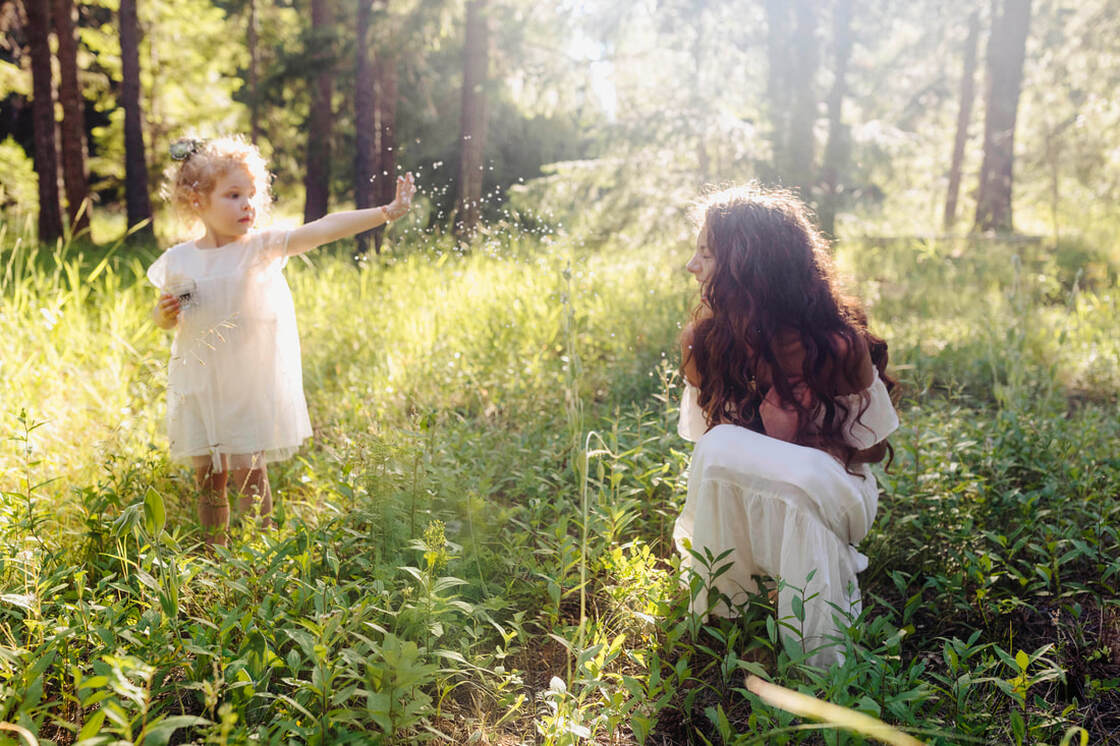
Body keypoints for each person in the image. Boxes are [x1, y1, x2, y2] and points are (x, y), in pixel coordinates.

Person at [148, 135, 416, 547]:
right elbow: (167, 317)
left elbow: (324, 228)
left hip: (247, 386)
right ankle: (213, 555)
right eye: (234, 195)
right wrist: (164, 315)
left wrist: (386, 212)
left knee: (249, 474)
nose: (248, 205)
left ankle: (258, 557)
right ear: (198, 200)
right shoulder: (179, 260)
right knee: (208, 479)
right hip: (199, 387)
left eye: (252, 195)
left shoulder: (259, 248)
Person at [674, 185, 899, 666]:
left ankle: (819, 655)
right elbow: (712, 458)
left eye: (705, 253)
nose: (692, 265)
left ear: (747, 268)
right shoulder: (703, 342)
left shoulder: (838, 345)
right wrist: (765, 437)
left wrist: (809, 440)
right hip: (753, 494)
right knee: (719, 448)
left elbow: (873, 450)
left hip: (831, 493)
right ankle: (723, 613)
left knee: (802, 475)